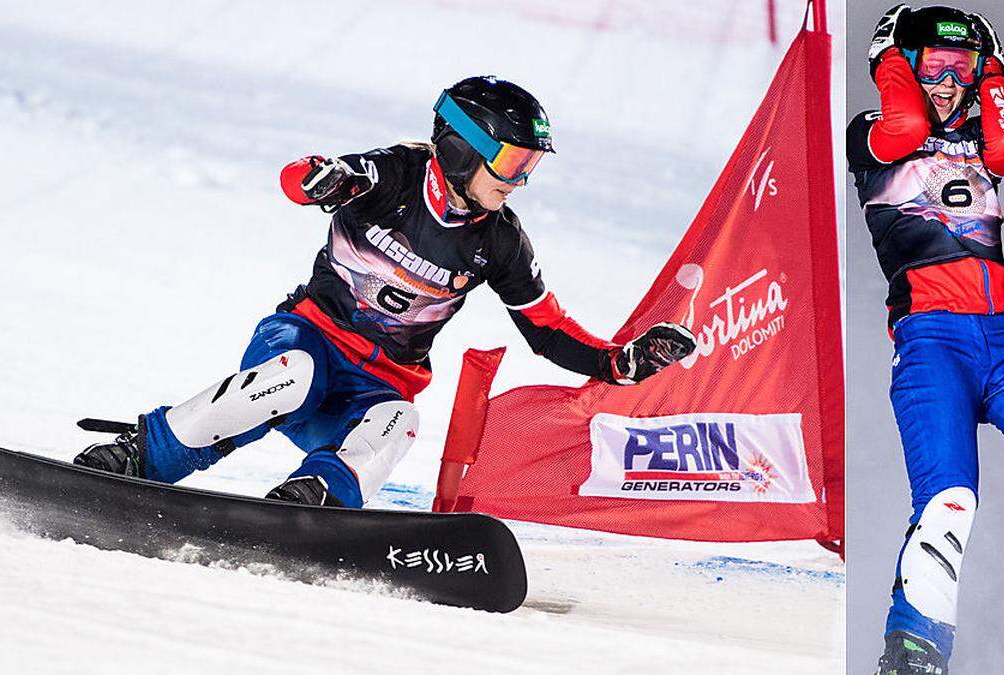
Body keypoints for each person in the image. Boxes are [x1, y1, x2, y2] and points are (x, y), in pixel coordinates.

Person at [73, 75, 696, 510]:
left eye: (530, 169)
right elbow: (302, 179)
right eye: (510, 164)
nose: (519, 182)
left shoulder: (500, 241)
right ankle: (144, 455)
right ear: (460, 149)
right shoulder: (395, 174)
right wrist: (325, 179)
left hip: (379, 385)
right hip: (306, 341)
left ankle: (312, 499)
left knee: (401, 421)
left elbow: (546, 328)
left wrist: (620, 361)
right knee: (289, 379)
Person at [849, 4, 1004, 673]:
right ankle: (914, 656)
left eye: (963, 68)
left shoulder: (983, 140)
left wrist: (996, 75)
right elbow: (903, 125)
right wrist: (890, 56)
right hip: (933, 345)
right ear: (899, 66)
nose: (948, 81)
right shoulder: (869, 132)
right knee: (949, 502)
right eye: (933, 66)